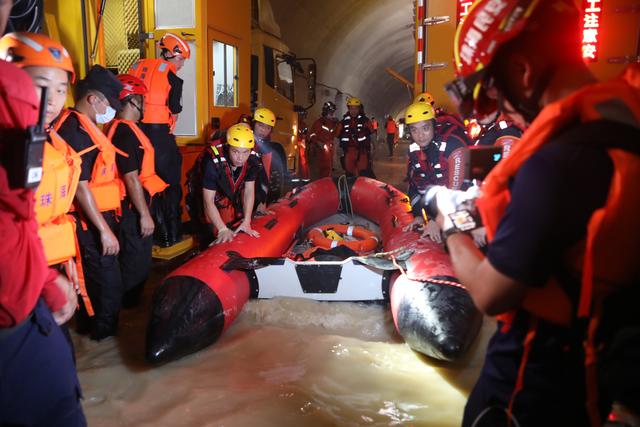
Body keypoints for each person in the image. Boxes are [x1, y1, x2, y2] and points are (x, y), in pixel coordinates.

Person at [434, 1, 640, 425]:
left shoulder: (554, 163)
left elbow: (492, 295)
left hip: (529, 385)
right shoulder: (623, 125)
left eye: (496, 94)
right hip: (591, 373)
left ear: (523, 71)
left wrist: (450, 224)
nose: (503, 111)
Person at [0, 28, 86, 426]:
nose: (52, 100)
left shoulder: (35, 142)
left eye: (61, 88)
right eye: (40, 85)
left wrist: (46, 281)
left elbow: (21, 225)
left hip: (37, 292)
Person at [54, 65, 125, 341]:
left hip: (97, 217)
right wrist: (103, 231)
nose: (111, 111)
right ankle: (102, 342)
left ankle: (94, 339)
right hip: (88, 222)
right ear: (93, 99)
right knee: (106, 285)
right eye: (108, 103)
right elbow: (81, 187)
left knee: (102, 282)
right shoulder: (74, 130)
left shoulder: (83, 125)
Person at [104, 74, 168, 308]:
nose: (144, 104)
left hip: (129, 207)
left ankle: (127, 308)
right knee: (136, 263)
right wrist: (144, 214)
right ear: (132, 101)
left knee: (132, 261)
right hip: (131, 211)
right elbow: (131, 178)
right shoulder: (125, 133)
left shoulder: (120, 129)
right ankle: (129, 310)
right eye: (141, 99)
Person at [129, 32, 190, 247]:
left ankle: (153, 234)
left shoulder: (137, 67)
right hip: (160, 136)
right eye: (182, 59)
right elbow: (175, 107)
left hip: (135, 133)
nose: (182, 64)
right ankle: (171, 235)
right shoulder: (173, 76)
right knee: (171, 184)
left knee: (147, 182)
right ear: (173, 55)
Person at [403, 101, 468, 242]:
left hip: (467, 205)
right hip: (443, 207)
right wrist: (418, 215)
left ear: (434, 125)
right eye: (414, 130)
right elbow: (414, 186)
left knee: (465, 243)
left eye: (425, 128)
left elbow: (458, 191)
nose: (420, 135)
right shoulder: (414, 151)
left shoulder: (453, 146)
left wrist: (436, 220)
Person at [199, 124, 262, 245]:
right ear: (228, 147)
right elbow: (208, 201)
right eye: (235, 151)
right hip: (205, 190)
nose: (240, 158)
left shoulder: (253, 158)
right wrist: (221, 229)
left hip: (228, 191)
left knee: (231, 217)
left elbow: (249, 190)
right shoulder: (212, 160)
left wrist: (247, 220)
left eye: (245, 152)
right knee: (208, 227)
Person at [252, 107, 288, 206]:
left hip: (266, 194)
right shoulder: (245, 144)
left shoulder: (273, 148)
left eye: (268, 128)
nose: (263, 130)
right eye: (260, 125)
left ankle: (272, 199)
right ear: (254, 124)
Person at [336, 97, 375, 177]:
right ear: (349, 109)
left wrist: (374, 147)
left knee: (362, 171)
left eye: (355, 108)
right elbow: (337, 135)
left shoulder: (365, 120)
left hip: (362, 150)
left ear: (359, 109)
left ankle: (361, 186)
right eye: (351, 108)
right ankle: (351, 186)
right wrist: (337, 148)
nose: (353, 110)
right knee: (349, 171)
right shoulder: (343, 122)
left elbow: (372, 134)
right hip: (348, 151)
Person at [308, 101, 338, 180]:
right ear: (326, 112)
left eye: (333, 112)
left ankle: (327, 182)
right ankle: (321, 184)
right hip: (320, 149)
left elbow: (335, 134)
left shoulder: (333, 123)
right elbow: (312, 135)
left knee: (329, 167)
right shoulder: (319, 122)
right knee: (322, 168)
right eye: (331, 112)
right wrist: (318, 142)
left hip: (329, 148)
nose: (332, 114)